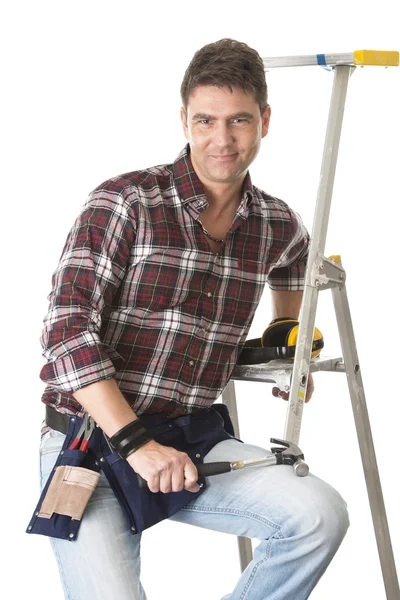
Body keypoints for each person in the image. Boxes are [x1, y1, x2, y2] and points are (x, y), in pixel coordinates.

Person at [38, 38, 349, 600]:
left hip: (191, 444)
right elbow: (67, 332)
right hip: (90, 450)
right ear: (183, 118)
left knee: (318, 516)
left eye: (239, 121)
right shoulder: (125, 203)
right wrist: (137, 444)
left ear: (265, 122)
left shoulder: (274, 222)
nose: (221, 140)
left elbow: (298, 263)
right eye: (205, 120)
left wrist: (286, 338)